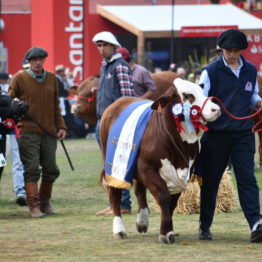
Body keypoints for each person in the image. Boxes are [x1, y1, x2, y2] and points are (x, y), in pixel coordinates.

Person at [196, 29, 262, 242]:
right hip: (216, 135)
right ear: (221, 50)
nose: (232, 54)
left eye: (236, 50)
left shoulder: (251, 70)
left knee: (247, 179)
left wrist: (259, 102)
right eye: (228, 50)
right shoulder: (210, 71)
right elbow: (201, 100)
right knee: (211, 181)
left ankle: (256, 224)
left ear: (241, 50)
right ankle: (204, 227)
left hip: (243, 134)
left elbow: (252, 95)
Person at [9, 46, 67, 218]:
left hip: (49, 131)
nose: (38, 62)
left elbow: (55, 105)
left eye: (41, 59)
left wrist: (61, 126)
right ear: (29, 61)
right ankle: (33, 206)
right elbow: (9, 102)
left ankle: (44, 202)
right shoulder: (19, 78)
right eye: (34, 59)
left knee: (51, 169)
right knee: (32, 168)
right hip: (27, 130)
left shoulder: (51, 78)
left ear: (44, 60)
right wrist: (16, 111)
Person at [92, 31, 135, 216]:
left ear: (113, 46)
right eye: (99, 45)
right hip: (102, 121)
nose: (101, 49)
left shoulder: (120, 66)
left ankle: (123, 204)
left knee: (117, 163)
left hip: (116, 122)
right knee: (109, 164)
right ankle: (114, 203)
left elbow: (128, 98)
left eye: (104, 45)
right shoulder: (105, 65)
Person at [0, 72, 27, 206]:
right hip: (10, 129)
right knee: (17, 162)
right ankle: (21, 192)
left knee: (20, 161)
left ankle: (22, 192)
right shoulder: (11, 90)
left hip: (16, 129)